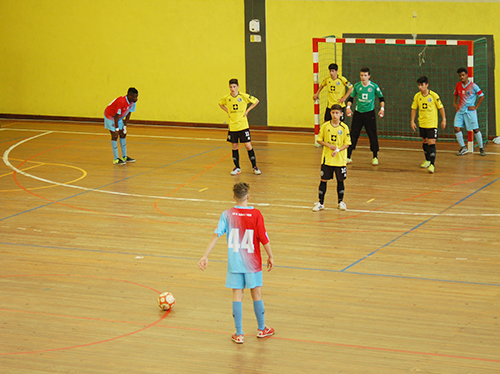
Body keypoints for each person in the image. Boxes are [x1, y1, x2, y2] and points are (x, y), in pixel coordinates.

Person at [198, 182, 274, 344]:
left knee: (237, 295)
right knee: (256, 293)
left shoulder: (227, 214)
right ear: (248, 196)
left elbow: (216, 234)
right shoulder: (256, 214)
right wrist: (270, 256)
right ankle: (261, 329)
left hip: (234, 264)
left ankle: (239, 333)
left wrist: (205, 255)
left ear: (234, 196)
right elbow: (263, 238)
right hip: (252, 263)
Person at [313, 104, 351, 212]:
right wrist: (328, 145)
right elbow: (319, 140)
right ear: (330, 113)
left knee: (340, 181)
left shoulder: (344, 128)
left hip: (340, 160)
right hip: (327, 159)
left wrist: (338, 150)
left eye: (337, 113)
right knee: (323, 180)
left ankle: (340, 202)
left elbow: (347, 143)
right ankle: (321, 203)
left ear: (341, 114)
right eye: (333, 113)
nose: (335, 115)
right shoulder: (325, 126)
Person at [219, 79, 261, 175]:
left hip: (243, 125)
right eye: (231, 87)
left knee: (247, 145)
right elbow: (220, 104)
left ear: (238, 87)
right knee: (234, 146)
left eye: (234, 87)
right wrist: (227, 111)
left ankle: (254, 167)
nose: (232, 89)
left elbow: (256, 101)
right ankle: (237, 167)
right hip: (233, 126)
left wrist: (247, 111)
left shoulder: (243, 96)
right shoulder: (227, 98)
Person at [345, 67, 385, 166]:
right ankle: (348, 156)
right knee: (353, 135)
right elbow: (351, 98)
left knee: (372, 135)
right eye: (362, 75)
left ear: (369, 76)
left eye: (365, 75)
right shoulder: (357, 86)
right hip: (358, 114)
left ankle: (375, 157)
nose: (363, 77)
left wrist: (382, 109)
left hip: (369, 114)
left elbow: (381, 98)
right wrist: (348, 107)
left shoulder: (374, 86)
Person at [410, 76, 447, 174]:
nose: (420, 87)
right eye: (419, 85)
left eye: (422, 85)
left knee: (431, 142)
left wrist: (444, 119)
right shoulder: (417, 96)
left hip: (432, 123)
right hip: (422, 123)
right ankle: (427, 160)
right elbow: (414, 108)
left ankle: (432, 164)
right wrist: (412, 121)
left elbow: (441, 108)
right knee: (425, 141)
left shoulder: (434, 96)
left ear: (427, 85)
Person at [453, 67, 486, 156]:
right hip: (460, 110)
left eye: (463, 75)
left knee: (475, 129)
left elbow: (481, 96)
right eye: (460, 76)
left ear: (467, 75)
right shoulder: (458, 85)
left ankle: (481, 148)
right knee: (456, 127)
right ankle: (463, 148)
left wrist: (476, 107)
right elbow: (455, 94)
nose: (461, 77)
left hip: (470, 111)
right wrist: (455, 103)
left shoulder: (473, 86)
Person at [104, 87, 138, 165]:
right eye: (134, 97)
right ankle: (116, 159)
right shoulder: (121, 101)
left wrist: (125, 127)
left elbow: (129, 113)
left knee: (123, 134)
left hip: (119, 118)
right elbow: (116, 116)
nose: (136, 98)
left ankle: (124, 156)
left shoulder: (133, 102)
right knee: (115, 135)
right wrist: (116, 129)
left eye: (137, 96)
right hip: (111, 116)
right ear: (129, 95)